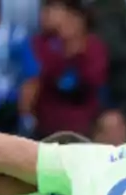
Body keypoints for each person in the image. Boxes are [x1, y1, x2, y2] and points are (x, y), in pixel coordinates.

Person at [30, 0, 108, 138]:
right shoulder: (44, 44)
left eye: (73, 17)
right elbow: (42, 74)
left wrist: (78, 54)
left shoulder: (94, 47)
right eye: (65, 16)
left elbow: (91, 81)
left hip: (84, 126)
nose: (68, 22)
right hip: (47, 127)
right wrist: (65, 53)